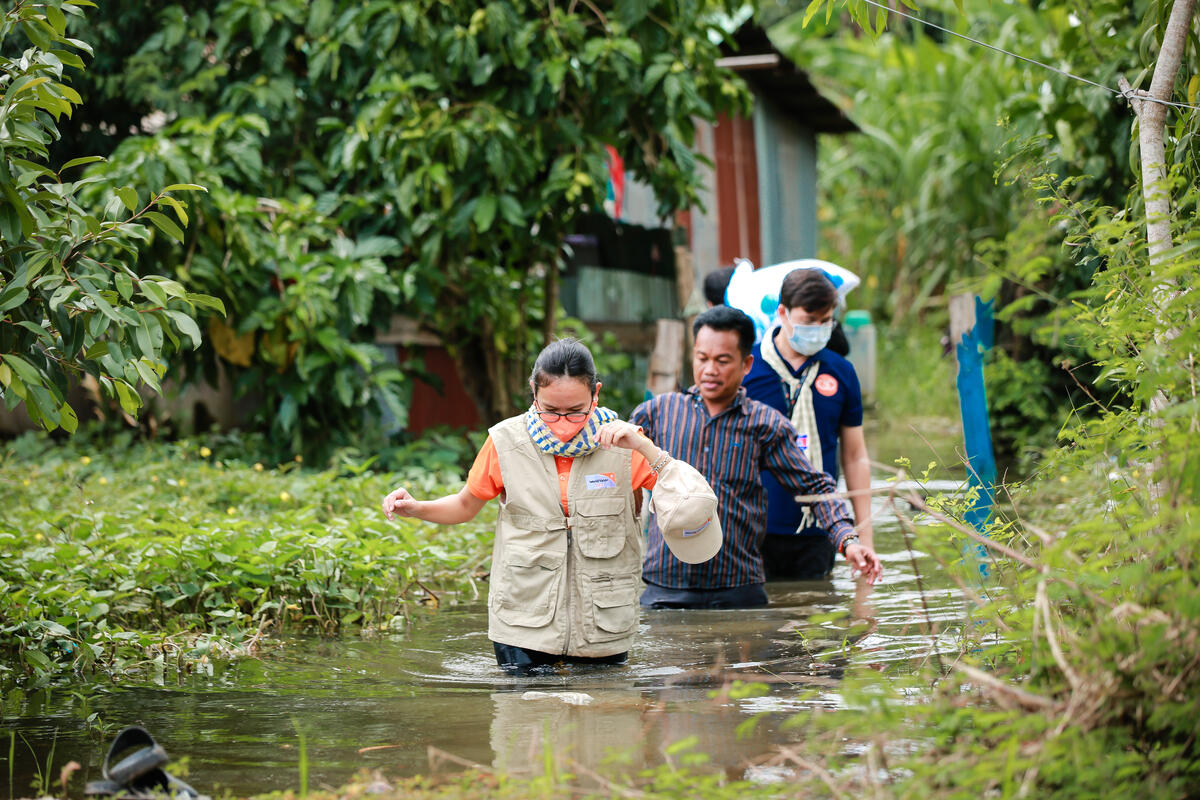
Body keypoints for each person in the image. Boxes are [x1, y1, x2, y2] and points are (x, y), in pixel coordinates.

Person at [382, 338, 721, 672]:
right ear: (534, 393)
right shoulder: (505, 441)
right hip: (523, 623)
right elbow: (465, 505)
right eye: (551, 412)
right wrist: (416, 507)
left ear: (596, 394)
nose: (562, 425)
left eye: (576, 412)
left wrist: (647, 449)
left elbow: (692, 502)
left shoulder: (624, 444)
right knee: (524, 720)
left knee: (608, 720)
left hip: (604, 625)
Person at [630, 306, 882, 610]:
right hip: (665, 586)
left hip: (739, 588)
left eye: (722, 361)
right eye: (702, 358)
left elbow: (813, 486)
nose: (710, 369)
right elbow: (620, 482)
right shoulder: (657, 414)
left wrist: (849, 541)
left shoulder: (765, 424)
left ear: (747, 363)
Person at [742, 269, 874, 580]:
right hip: (754, 528)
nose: (818, 328)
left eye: (825, 320)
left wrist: (864, 538)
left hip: (820, 529)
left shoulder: (841, 372)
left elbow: (855, 456)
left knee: (817, 617)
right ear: (783, 312)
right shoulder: (748, 369)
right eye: (809, 319)